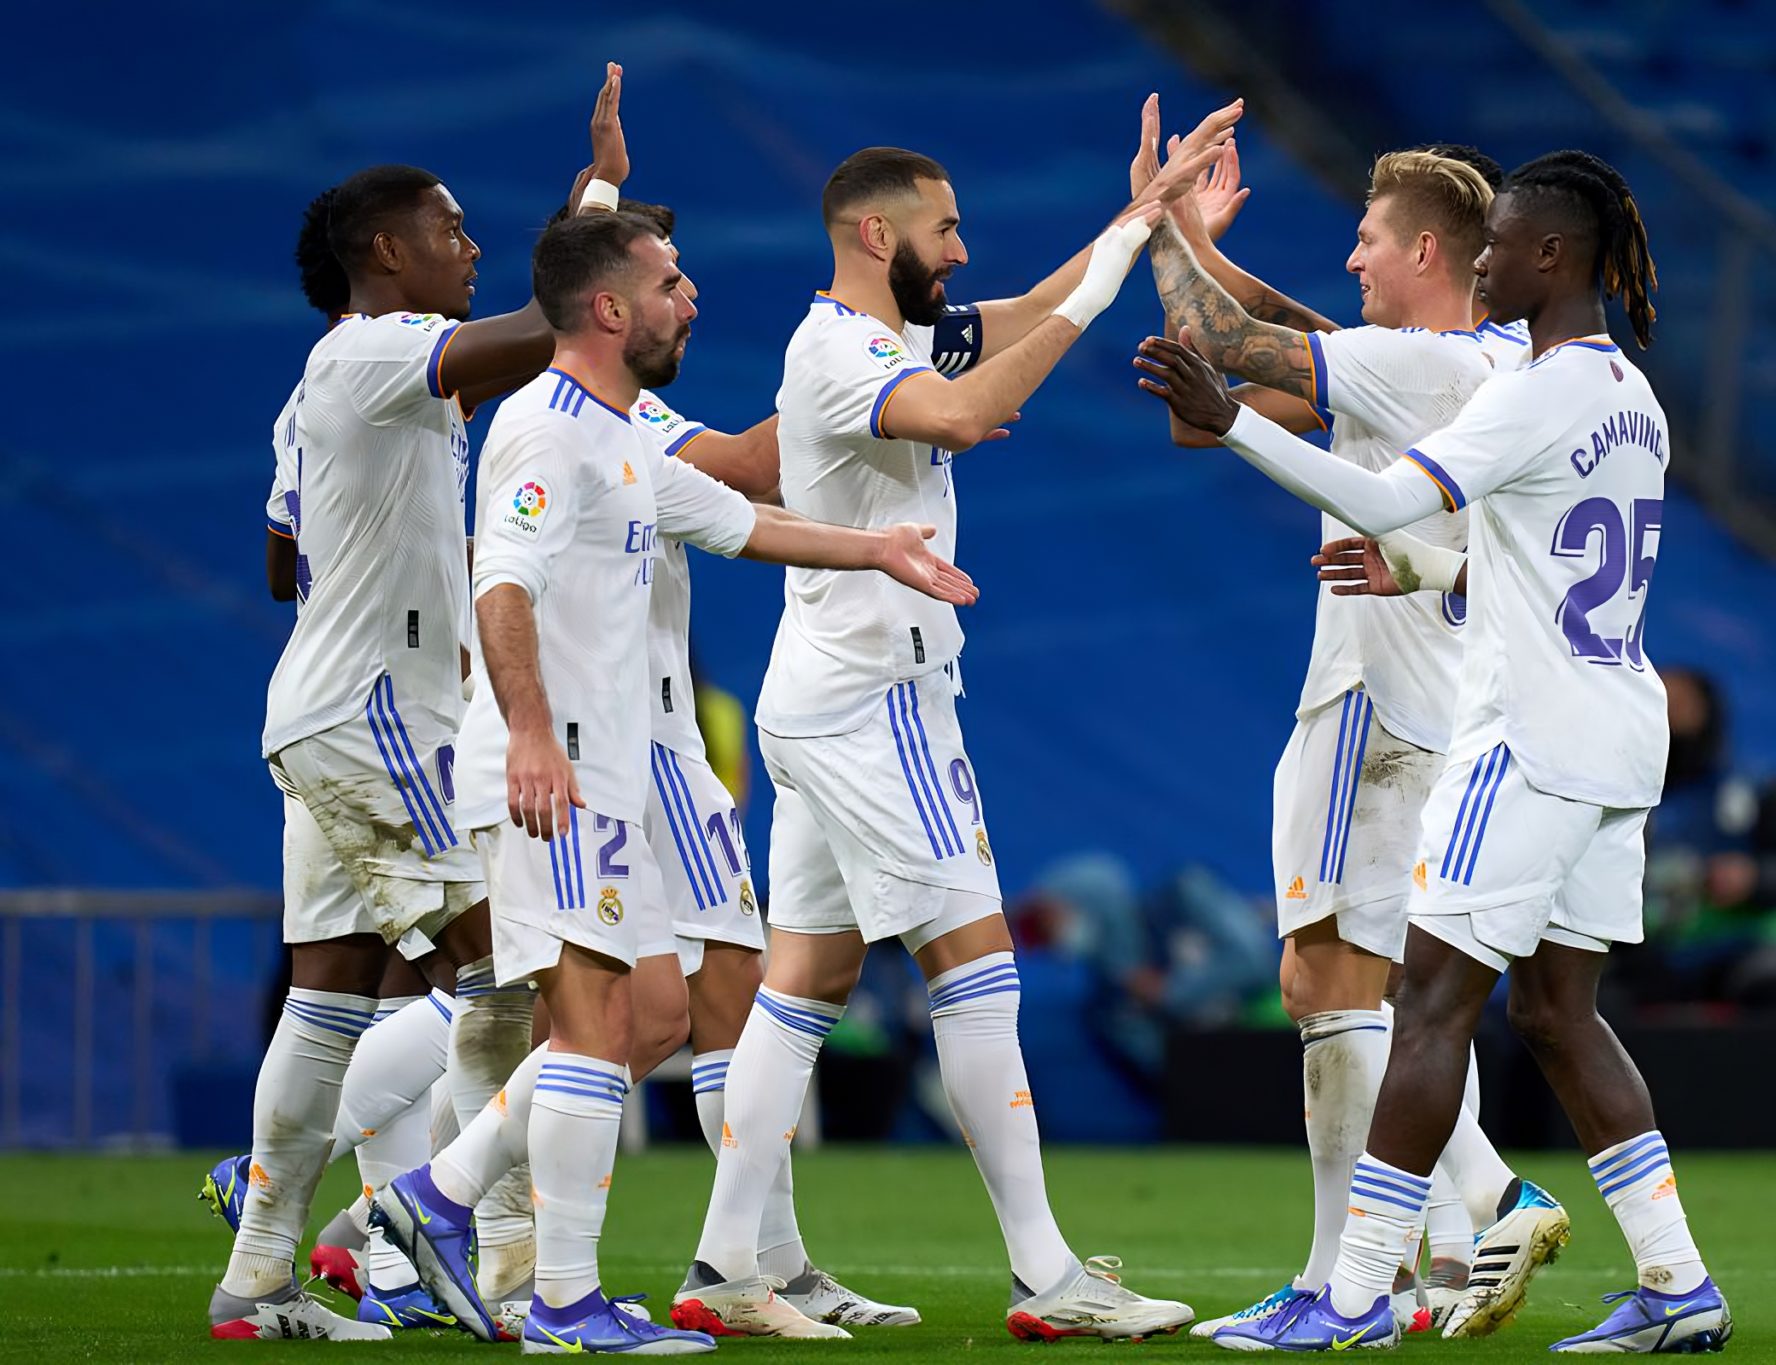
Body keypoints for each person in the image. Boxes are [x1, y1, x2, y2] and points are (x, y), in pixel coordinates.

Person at [1138, 149, 1734, 1354]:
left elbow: (1379, 498)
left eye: (1503, 246)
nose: (1487, 263)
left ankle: (1354, 1295)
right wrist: (1423, 569)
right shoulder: (1630, 396)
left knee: (1421, 1005)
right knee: (1556, 1014)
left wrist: (1229, 418)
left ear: (1551, 256)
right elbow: (1533, 563)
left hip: (1524, 737)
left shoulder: (1529, 390)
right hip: (1615, 731)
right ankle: (1678, 1283)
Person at [672, 110, 1243, 1342]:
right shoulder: (842, 351)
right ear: (875, 234)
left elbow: (1028, 310)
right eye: (945, 229)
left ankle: (729, 1264)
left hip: (825, 695)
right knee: (976, 973)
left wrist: (1147, 225)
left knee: (802, 985)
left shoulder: (895, 332)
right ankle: (1046, 1277)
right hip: (874, 702)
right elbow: (964, 416)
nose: (964, 250)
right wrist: (1121, 259)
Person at [372, 208, 977, 1353]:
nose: (687, 299)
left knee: (652, 1014)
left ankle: (433, 1201)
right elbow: (500, 584)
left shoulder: (622, 439)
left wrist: (880, 548)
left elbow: (744, 519)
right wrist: (532, 734)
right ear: (610, 309)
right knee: (589, 1026)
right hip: (554, 775)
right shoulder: (544, 430)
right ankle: (554, 1294)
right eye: (667, 284)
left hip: (607, 771)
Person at [209, 65, 630, 1342]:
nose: (471, 245)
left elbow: (280, 559)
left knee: (330, 997)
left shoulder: (331, 386)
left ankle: (258, 1279)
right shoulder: (374, 354)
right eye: (451, 229)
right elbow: (545, 331)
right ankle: (467, 1246)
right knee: (517, 968)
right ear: (385, 252)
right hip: (376, 715)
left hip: (324, 708)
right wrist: (600, 224)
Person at [1135, 114, 1556, 1339]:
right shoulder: (1479, 364)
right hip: (1441, 703)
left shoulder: (1414, 365)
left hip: (1371, 701)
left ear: (1428, 249)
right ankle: (1419, 1261)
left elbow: (1224, 347)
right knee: (1380, 988)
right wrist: (1205, 251)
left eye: (1368, 238)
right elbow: (1245, 367)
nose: (1350, 256)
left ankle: (1428, 1232)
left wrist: (1159, 223)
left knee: (1328, 982)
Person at [1638, 667, 1776, 1013]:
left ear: (1708, 711)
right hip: (1664, 952)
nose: (1667, 711)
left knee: (1769, 988)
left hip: (1749, 945)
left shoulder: (1759, 787)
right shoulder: (1633, 797)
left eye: (1678, 702)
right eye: (1657, 699)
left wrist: (1752, 878)